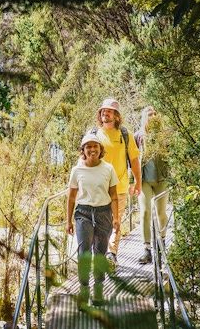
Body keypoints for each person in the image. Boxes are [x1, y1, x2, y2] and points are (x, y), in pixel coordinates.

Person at [67, 133, 120, 308]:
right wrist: (68, 220)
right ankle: (83, 289)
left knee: (100, 251)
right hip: (83, 213)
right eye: (88, 147)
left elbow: (113, 195)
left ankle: (98, 288)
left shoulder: (108, 168)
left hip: (104, 213)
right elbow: (72, 196)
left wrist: (116, 218)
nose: (92, 149)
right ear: (83, 150)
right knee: (84, 252)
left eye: (95, 146)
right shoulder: (77, 170)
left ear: (100, 149)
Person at [89, 98, 142, 272]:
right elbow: (84, 159)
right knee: (98, 224)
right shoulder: (94, 133)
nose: (106, 113)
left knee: (115, 223)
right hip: (97, 188)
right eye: (103, 110)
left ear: (116, 115)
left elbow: (134, 160)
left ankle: (111, 256)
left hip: (119, 187)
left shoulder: (125, 135)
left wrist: (138, 183)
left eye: (110, 111)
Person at [134, 105, 170, 263]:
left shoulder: (165, 136)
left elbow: (172, 157)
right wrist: (132, 181)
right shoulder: (138, 137)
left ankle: (161, 244)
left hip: (162, 179)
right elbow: (132, 160)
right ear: (144, 118)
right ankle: (147, 249)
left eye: (155, 114)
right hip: (144, 180)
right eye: (150, 114)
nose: (153, 116)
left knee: (161, 212)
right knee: (145, 212)